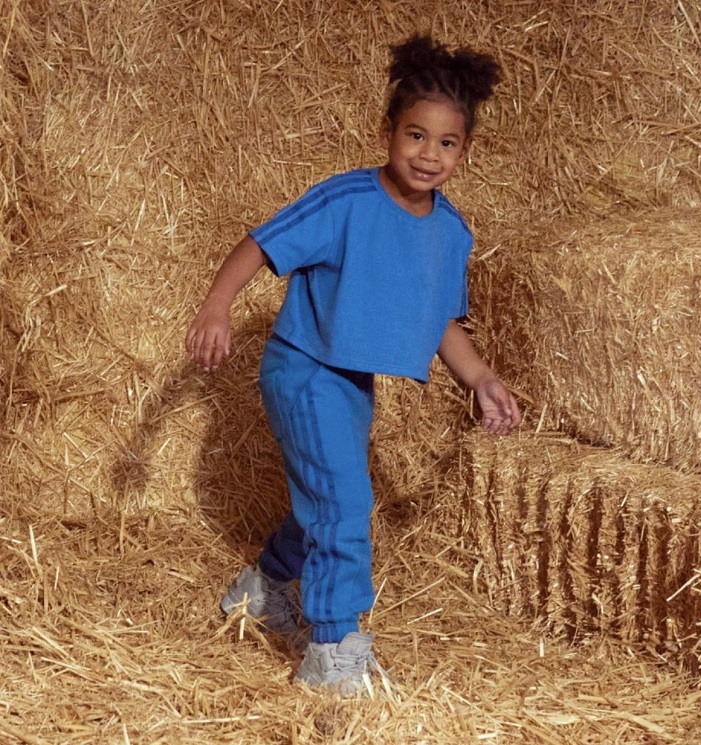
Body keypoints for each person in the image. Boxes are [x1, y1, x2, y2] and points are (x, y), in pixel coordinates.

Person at [186, 34, 521, 695]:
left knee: (325, 496)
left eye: (447, 143)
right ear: (386, 132)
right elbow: (260, 242)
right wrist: (218, 306)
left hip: (350, 385)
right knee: (344, 501)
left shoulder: (451, 232)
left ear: (466, 151)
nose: (429, 154)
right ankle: (332, 651)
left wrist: (480, 377)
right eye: (415, 135)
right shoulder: (345, 201)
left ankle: (258, 592)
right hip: (303, 368)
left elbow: (440, 322)